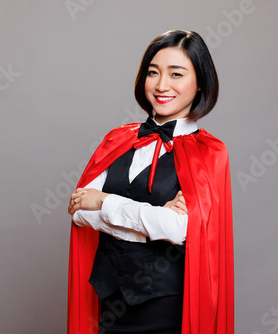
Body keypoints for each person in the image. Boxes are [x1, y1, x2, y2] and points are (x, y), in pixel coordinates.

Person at [67, 30, 234, 334]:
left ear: (199, 84)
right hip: (108, 299)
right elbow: (79, 210)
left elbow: (178, 229)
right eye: (153, 72)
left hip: (166, 308)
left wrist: (104, 201)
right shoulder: (117, 139)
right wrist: (153, 221)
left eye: (176, 74)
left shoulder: (209, 152)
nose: (161, 85)